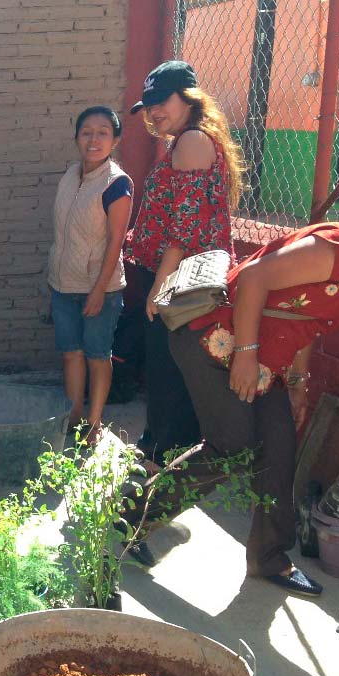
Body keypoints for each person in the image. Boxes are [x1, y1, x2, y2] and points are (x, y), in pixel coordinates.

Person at [151, 208, 339, 596]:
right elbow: (256, 277)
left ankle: (269, 558)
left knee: (279, 447)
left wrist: (297, 383)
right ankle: (129, 517)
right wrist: (247, 354)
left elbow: (306, 320)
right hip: (214, 342)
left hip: (260, 362)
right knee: (232, 448)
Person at [125, 60, 245, 466]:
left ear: (188, 97)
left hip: (181, 282)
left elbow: (185, 226)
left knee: (169, 372)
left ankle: (162, 461)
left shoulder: (192, 140)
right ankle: (162, 454)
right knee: (174, 369)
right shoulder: (190, 139)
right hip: (181, 277)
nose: (153, 111)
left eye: (161, 100)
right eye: (148, 104)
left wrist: (160, 287)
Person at [48, 106, 133, 444]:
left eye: (102, 132)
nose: (93, 139)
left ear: (114, 140)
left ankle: (94, 423)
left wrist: (99, 289)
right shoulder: (71, 175)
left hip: (101, 288)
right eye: (86, 132)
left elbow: (116, 242)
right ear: (77, 139)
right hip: (62, 283)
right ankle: (74, 415)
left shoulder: (117, 184)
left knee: (98, 355)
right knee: (71, 352)